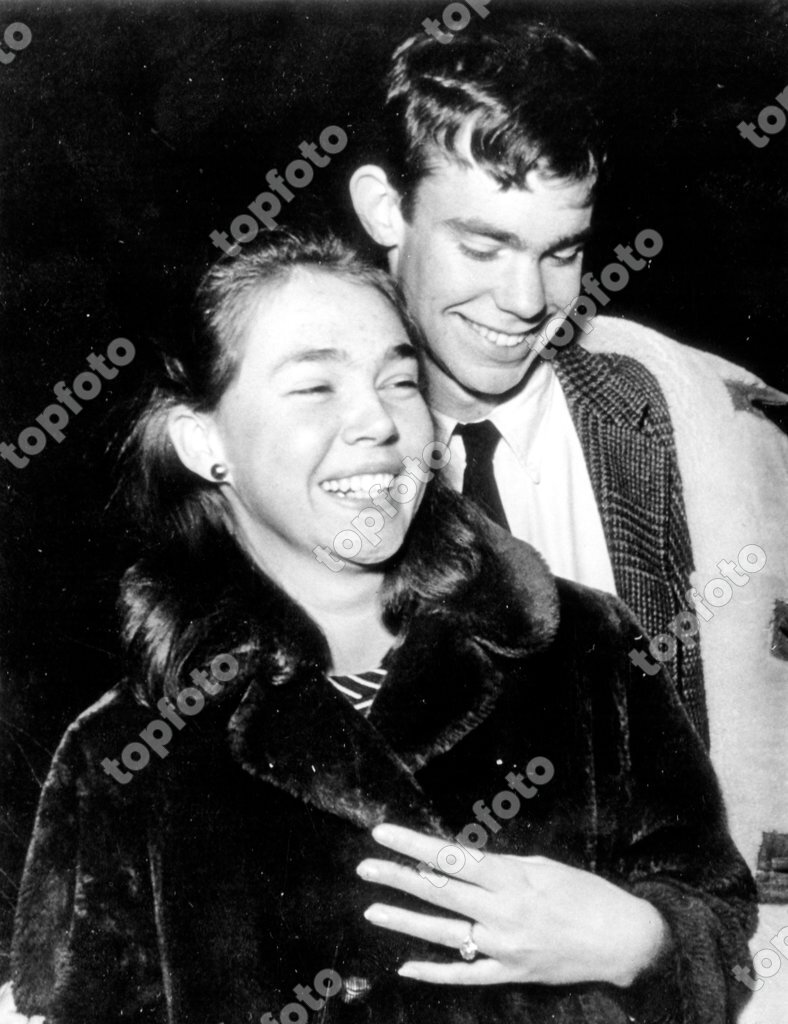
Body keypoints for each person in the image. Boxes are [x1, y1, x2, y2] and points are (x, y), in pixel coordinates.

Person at [7, 229, 754, 1023]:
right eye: (315, 388)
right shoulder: (125, 749)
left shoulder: (582, 645)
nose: (379, 422)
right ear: (204, 441)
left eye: (399, 382)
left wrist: (639, 939)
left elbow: (724, 921)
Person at [348, 24, 788, 1018]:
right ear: (385, 208)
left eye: (560, 252)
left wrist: (648, 943)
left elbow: (736, 857)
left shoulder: (671, 424)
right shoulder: (299, 461)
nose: (523, 300)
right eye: (483, 243)